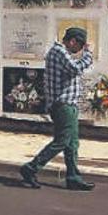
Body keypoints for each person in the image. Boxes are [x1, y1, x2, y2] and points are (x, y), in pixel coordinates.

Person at [20, 27, 94, 191]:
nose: (79, 50)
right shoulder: (59, 52)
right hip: (63, 104)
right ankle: (31, 167)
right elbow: (75, 69)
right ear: (72, 41)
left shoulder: (60, 52)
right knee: (62, 141)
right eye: (79, 46)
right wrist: (88, 54)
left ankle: (73, 177)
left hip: (68, 104)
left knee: (72, 144)